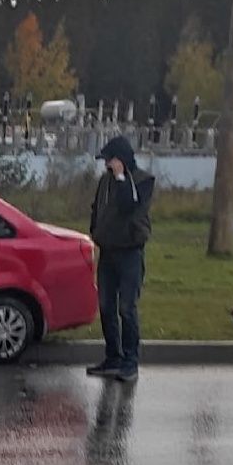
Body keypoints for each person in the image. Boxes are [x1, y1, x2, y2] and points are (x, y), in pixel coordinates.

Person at [87, 135, 154, 380]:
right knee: (106, 306)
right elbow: (97, 208)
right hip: (108, 251)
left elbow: (129, 205)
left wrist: (121, 176)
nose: (106, 165)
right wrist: (95, 231)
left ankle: (130, 362)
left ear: (121, 159)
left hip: (130, 253)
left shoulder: (143, 181)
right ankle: (112, 357)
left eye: (110, 160)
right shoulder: (105, 182)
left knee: (126, 308)